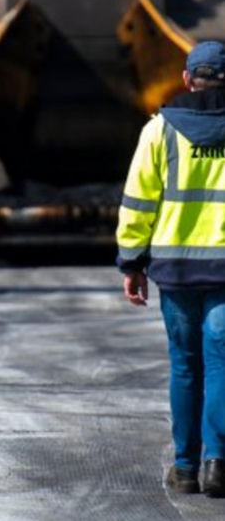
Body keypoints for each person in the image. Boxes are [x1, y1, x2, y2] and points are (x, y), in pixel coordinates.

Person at [118, 40, 225, 497]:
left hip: (177, 270)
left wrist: (132, 262)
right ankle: (217, 464)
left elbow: (138, 202)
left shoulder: (159, 130)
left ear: (186, 79)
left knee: (185, 365)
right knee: (222, 363)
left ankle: (184, 470)